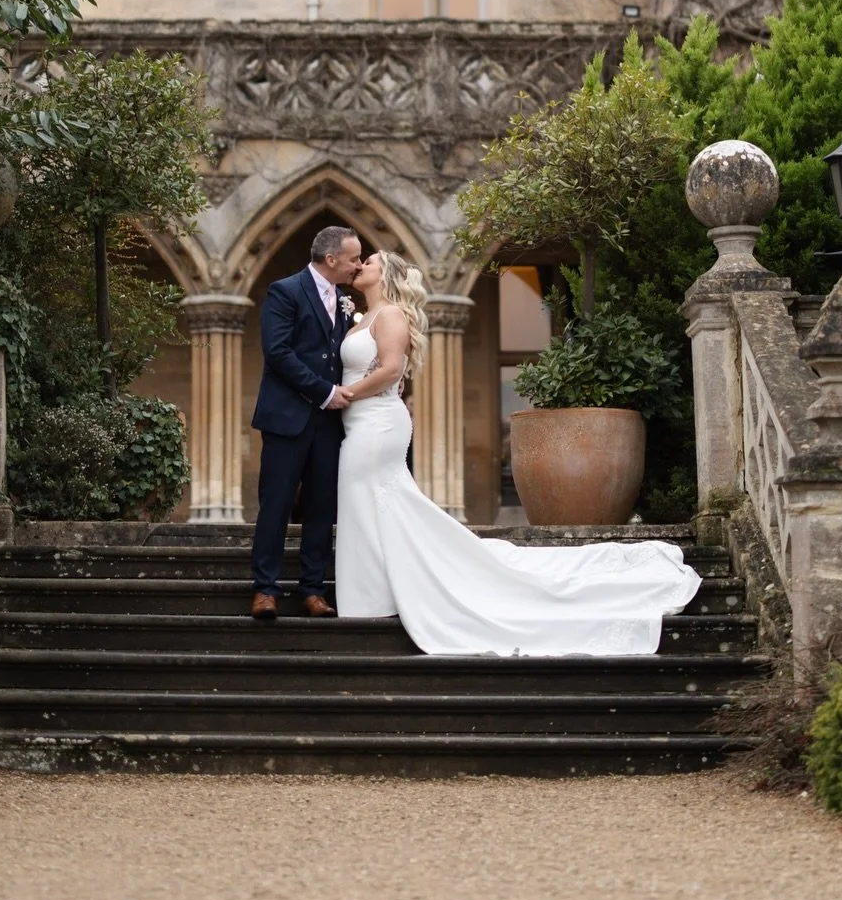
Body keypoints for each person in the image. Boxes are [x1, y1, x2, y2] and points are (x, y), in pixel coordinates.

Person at [335, 251, 700, 654]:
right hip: (361, 421)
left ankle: (375, 595)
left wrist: (344, 393)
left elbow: (390, 370)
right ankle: (374, 592)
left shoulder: (391, 316)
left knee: (374, 498)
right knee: (369, 503)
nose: (361, 265)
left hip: (377, 422)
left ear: (387, 273)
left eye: (369, 261)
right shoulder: (362, 317)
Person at [250, 225, 362, 620]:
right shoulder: (285, 291)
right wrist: (325, 392)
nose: (359, 265)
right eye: (354, 259)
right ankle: (265, 589)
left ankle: (313, 590)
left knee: (321, 507)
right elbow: (278, 353)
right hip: (287, 416)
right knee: (276, 504)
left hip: (329, 424)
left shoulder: (347, 301)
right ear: (331, 259)